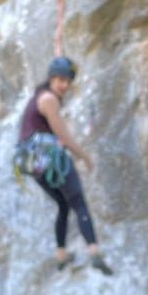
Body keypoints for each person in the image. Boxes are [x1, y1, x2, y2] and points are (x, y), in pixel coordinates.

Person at [16, 56, 113, 274]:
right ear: (51, 78)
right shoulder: (49, 99)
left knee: (63, 204)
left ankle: (60, 253)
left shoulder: (37, 97)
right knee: (79, 202)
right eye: (60, 79)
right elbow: (63, 135)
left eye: (68, 81)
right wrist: (84, 156)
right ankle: (94, 252)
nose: (65, 85)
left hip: (33, 164)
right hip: (50, 159)